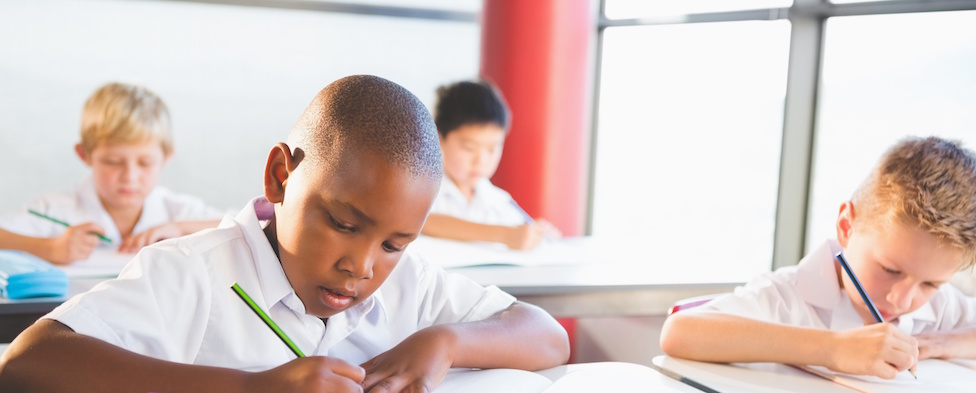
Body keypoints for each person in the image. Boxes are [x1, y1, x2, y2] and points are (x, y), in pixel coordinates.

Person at [0, 75, 570, 392]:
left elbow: (547, 336)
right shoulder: (196, 272)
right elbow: (29, 361)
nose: (363, 265)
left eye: (394, 244)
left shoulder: (410, 284)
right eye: (344, 224)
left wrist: (446, 342)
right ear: (280, 176)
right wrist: (250, 390)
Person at [660, 136, 976, 380]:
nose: (904, 299)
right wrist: (832, 348)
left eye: (931, 283)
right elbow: (679, 332)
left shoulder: (942, 310)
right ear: (846, 226)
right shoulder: (787, 296)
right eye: (890, 269)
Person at [0, 82, 222, 264]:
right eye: (113, 162)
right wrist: (50, 249)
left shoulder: (180, 212)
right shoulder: (54, 210)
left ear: (166, 158)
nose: (129, 176)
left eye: (145, 163)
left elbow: (249, 224)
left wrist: (181, 228)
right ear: (84, 154)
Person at [420, 80, 561, 250]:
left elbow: (522, 232)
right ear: (439, 137)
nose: (481, 161)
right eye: (469, 148)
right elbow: (422, 221)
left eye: (492, 149)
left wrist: (537, 235)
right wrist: (503, 234)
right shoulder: (421, 187)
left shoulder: (499, 200)